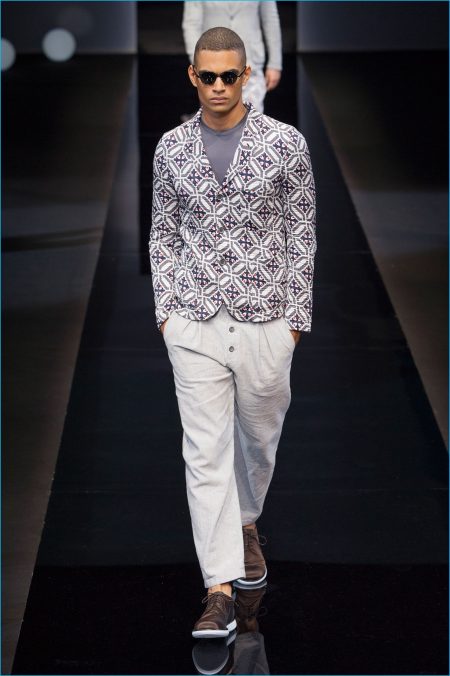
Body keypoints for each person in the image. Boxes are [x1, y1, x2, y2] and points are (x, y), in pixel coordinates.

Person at [149, 27, 316, 638]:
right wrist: (167, 313)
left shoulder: (286, 143)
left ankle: (245, 521)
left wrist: (295, 322)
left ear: (246, 76)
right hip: (193, 320)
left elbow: (303, 233)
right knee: (204, 452)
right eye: (207, 76)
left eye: (228, 75)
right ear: (193, 76)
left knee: (259, 438)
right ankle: (218, 589)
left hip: (266, 318)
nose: (218, 86)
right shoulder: (171, 147)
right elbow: (163, 233)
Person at [182, 2, 282, 112]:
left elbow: (270, 19)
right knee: (215, 116)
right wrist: (199, 62)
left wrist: (275, 63)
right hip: (211, 66)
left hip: (251, 63)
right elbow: (192, 24)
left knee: (252, 117)